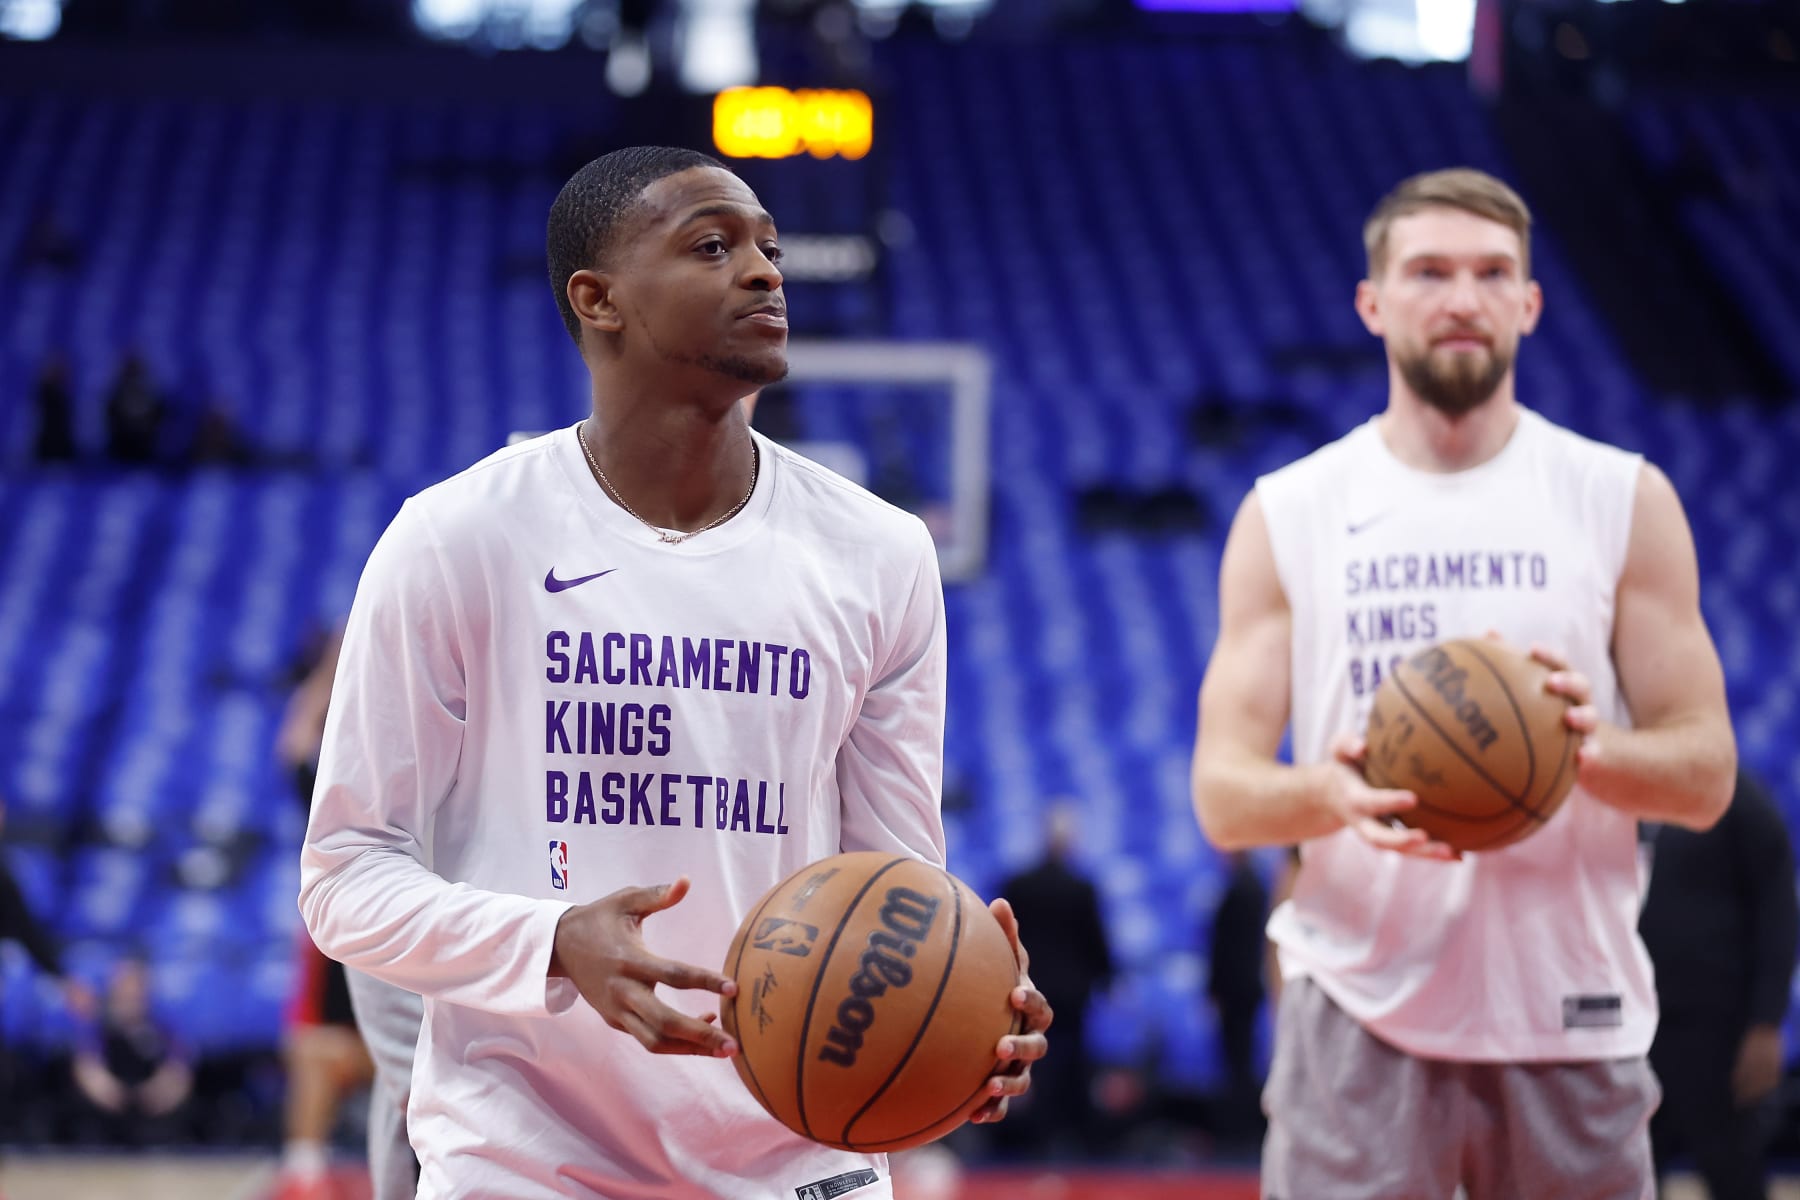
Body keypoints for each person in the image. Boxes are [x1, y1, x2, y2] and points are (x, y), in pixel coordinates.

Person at [298, 145, 1050, 1200]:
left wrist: (962, 999)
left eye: (769, 247)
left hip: (798, 1159)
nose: (765, 270)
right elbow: (346, 880)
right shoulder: (456, 537)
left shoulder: (882, 551)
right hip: (529, 1164)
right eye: (712, 245)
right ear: (597, 299)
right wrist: (552, 941)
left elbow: (893, 877)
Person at [1189, 167, 1737, 1199]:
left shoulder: (1621, 499)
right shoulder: (1289, 511)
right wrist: (1333, 792)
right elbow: (1223, 795)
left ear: (1530, 303)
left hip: (1572, 1008)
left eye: (1492, 274)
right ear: (1372, 302)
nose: (1462, 298)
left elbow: (1706, 775)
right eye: (1429, 272)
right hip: (1356, 1004)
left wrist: (1585, 755)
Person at [1641, 767, 1798, 1200]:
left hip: (1715, 1031)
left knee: (1734, 1170)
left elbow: (1778, 911)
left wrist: (1766, 1024)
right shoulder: (1622, 797)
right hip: (1636, 1027)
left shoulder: (1738, 798)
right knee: (1635, 1173)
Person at [995, 801, 1113, 1158]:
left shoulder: (1020, 885)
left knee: (1035, 1061)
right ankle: (1074, 1135)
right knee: (1074, 1062)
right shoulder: (1082, 888)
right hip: (1074, 992)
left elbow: (1003, 938)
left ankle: (1037, 1136)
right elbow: (1096, 942)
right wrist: (1106, 978)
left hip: (1030, 987)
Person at [69, 956, 193, 1146]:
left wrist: (163, 1091)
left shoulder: (162, 1022)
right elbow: (87, 1064)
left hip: (151, 1104)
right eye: (125, 985)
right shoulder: (98, 1022)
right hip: (110, 1104)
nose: (131, 992)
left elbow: (179, 1067)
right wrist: (105, 1089)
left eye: (136, 986)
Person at [1206, 850, 1269, 1148]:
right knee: (1242, 1057)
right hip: (1249, 985)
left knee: (1236, 1060)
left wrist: (1214, 989)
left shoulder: (1237, 890)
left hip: (1234, 988)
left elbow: (1224, 947)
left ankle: (1237, 1130)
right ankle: (1242, 1127)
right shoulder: (1256, 887)